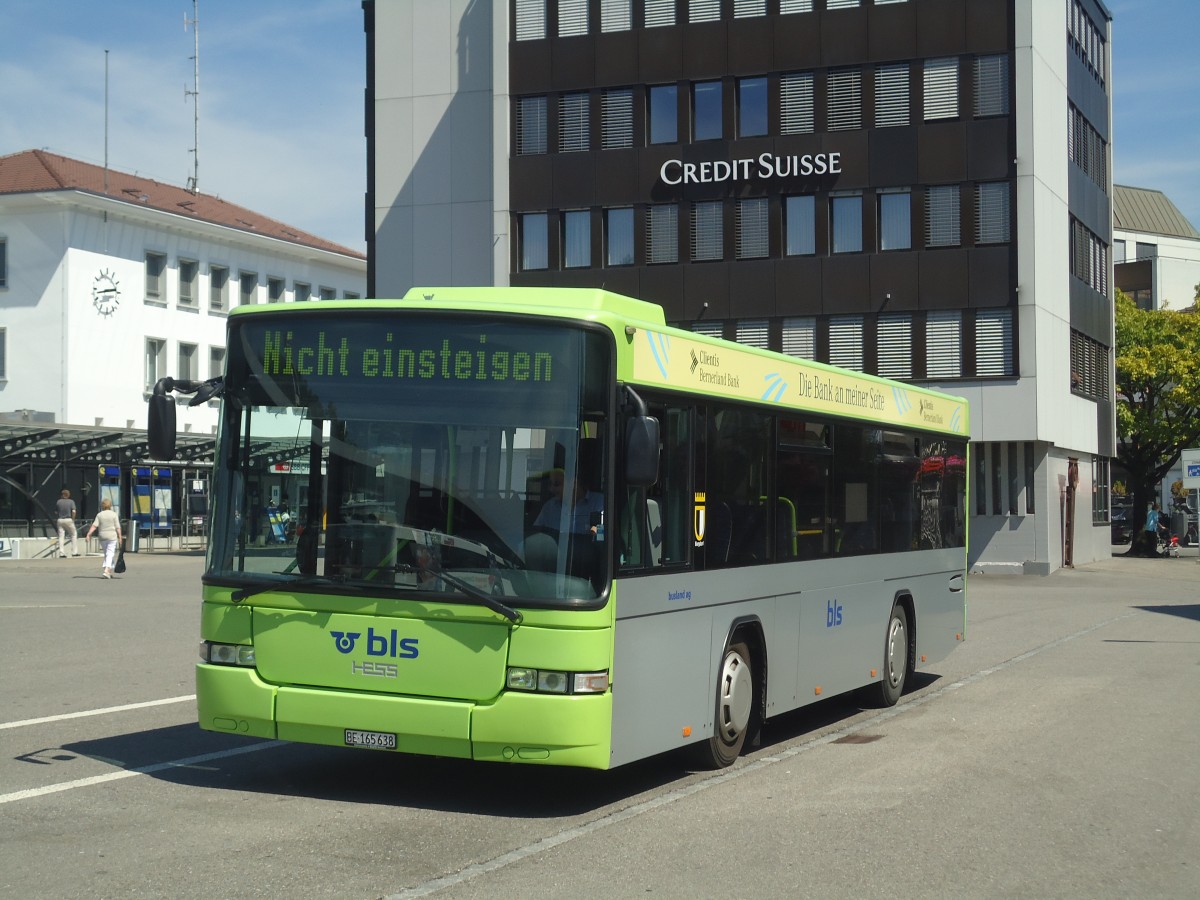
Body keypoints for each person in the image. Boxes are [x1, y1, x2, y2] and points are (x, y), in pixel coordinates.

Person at [534, 468, 604, 536]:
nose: (551, 489)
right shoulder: (549, 507)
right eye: (550, 484)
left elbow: (601, 538)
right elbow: (536, 535)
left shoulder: (600, 504)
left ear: (574, 483)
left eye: (556, 484)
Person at [86, 497, 124, 579]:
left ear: (102, 506)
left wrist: (89, 534)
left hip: (102, 536)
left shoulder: (99, 515)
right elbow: (118, 527)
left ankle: (108, 571)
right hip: (112, 536)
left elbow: (94, 525)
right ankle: (106, 571)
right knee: (110, 553)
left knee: (107, 554)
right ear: (110, 505)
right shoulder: (114, 514)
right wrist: (120, 537)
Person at [54, 489, 78, 558]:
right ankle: (74, 552)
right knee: (73, 534)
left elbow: (55, 512)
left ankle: (61, 553)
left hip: (60, 519)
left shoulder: (58, 502)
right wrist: (73, 519)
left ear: (62, 495)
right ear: (68, 495)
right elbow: (73, 511)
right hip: (68, 519)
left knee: (61, 536)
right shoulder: (71, 502)